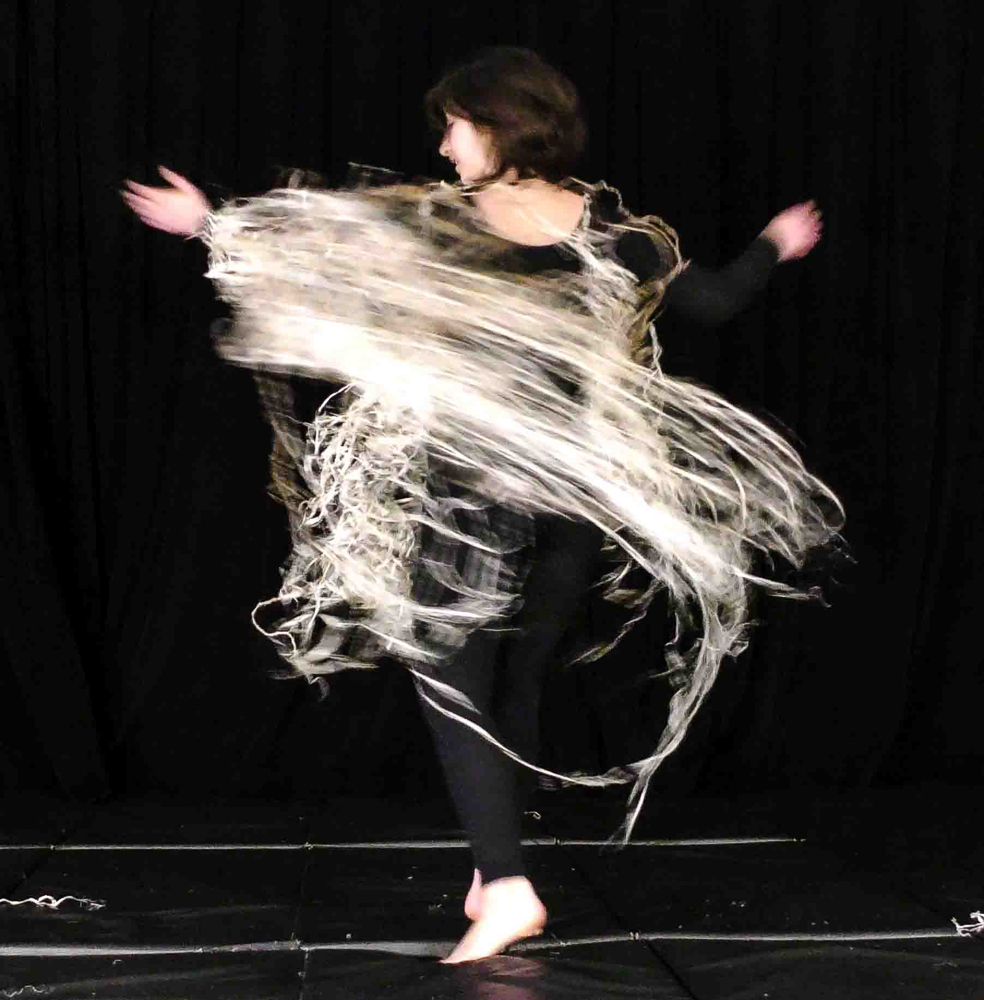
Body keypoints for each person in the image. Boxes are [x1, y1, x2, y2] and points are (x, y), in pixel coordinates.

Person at [123, 47, 834, 963]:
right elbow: (716, 302)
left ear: (498, 126)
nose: (446, 146)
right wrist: (774, 243)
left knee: (454, 684)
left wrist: (205, 222)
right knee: (512, 681)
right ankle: (493, 864)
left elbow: (311, 262)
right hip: (577, 494)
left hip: (472, 497)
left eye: (455, 126)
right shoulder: (615, 228)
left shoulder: (440, 226)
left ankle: (505, 886)